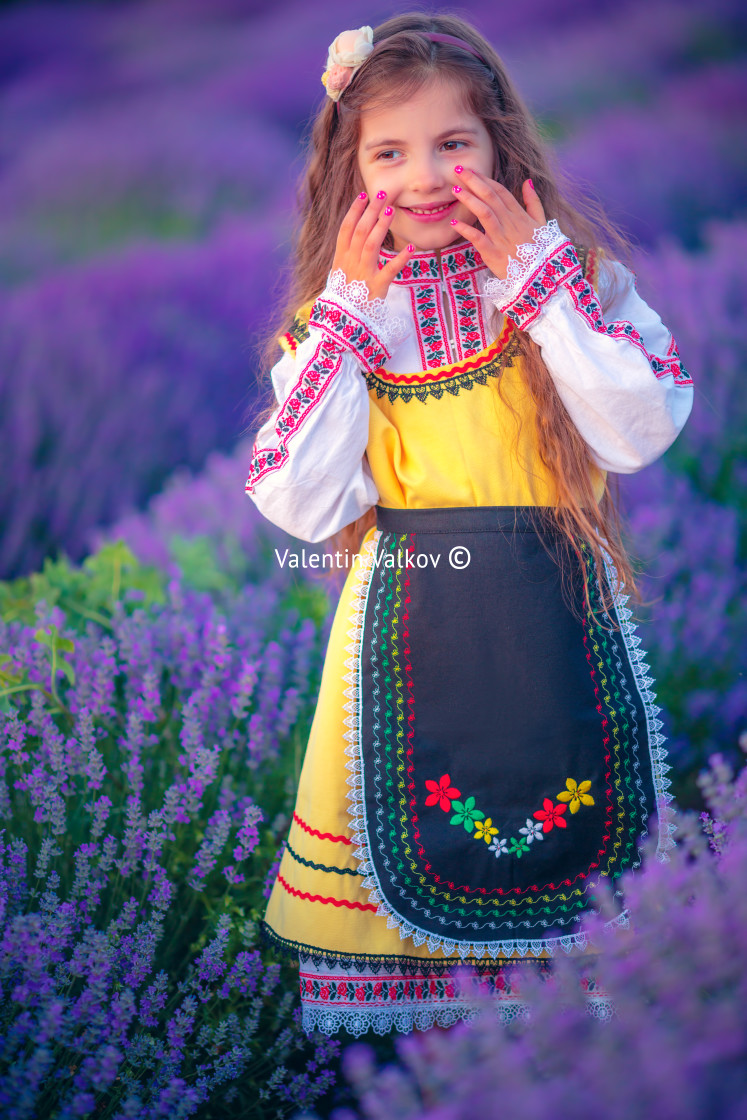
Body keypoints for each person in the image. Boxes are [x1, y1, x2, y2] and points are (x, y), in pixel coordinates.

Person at [244, 13, 693, 1037]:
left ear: (499, 145)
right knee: (411, 856)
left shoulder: (572, 285)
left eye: (454, 143)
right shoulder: (335, 329)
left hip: (553, 623)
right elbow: (301, 501)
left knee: (572, 875)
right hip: (405, 636)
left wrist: (543, 290)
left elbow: (639, 430)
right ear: (348, 171)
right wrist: (347, 327)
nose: (424, 175)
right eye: (389, 152)